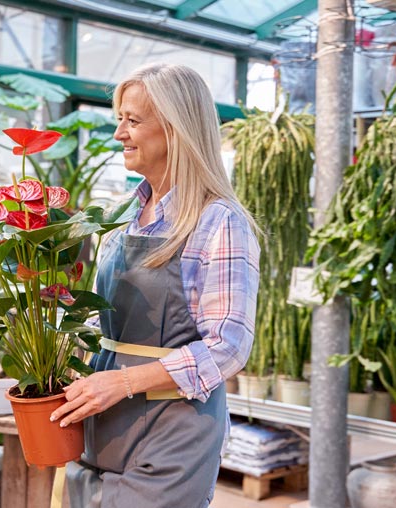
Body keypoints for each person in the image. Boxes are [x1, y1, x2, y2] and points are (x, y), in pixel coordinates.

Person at [50, 63, 260, 508]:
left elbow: (228, 346)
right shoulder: (122, 215)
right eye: (119, 119)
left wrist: (122, 382)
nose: (119, 134)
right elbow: (104, 316)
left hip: (173, 433)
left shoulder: (218, 221)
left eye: (133, 120)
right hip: (100, 423)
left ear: (176, 127)